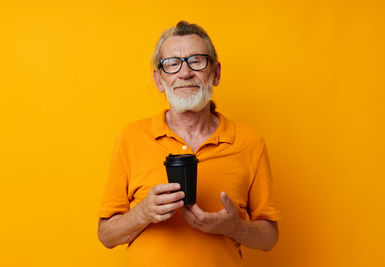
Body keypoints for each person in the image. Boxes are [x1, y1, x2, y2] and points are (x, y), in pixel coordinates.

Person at [97, 21, 281, 267]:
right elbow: (106, 236)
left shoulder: (250, 143)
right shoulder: (130, 138)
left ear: (215, 73)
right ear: (159, 79)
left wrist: (235, 227)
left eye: (196, 61)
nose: (185, 73)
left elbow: (269, 238)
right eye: (172, 64)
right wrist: (142, 214)